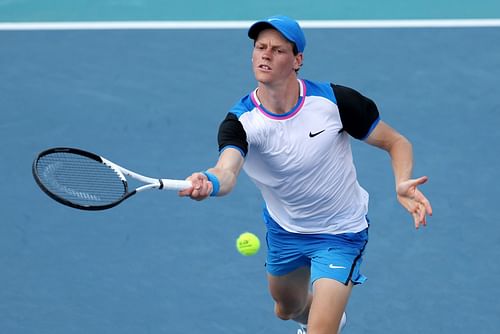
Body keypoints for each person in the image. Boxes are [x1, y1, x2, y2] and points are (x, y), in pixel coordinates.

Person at [179, 15, 433, 334]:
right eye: (260, 47)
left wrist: (401, 182)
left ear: (297, 60)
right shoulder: (241, 122)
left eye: (277, 50)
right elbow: (226, 170)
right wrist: (210, 181)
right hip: (286, 230)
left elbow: (396, 142)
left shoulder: (335, 102)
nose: (265, 55)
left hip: (341, 232)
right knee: (287, 309)